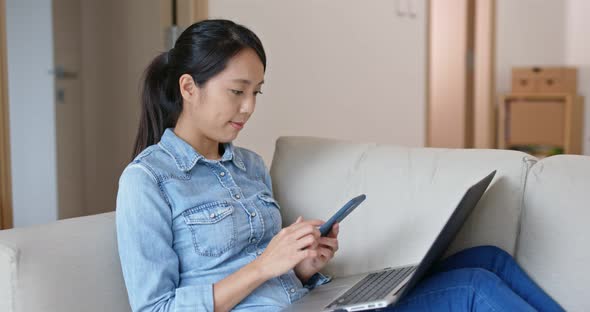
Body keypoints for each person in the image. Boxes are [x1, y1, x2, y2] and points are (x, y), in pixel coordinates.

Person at [115, 19, 564, 312]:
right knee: (472, 290)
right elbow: (156, 308)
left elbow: (275, 273)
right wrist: (265, 266)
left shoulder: (248, 165)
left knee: (490, 259)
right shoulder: (148, 181)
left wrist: (302, 265)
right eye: (237, 91)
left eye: (258, 92)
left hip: (310, 302)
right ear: (189, 87)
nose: (249, 107)